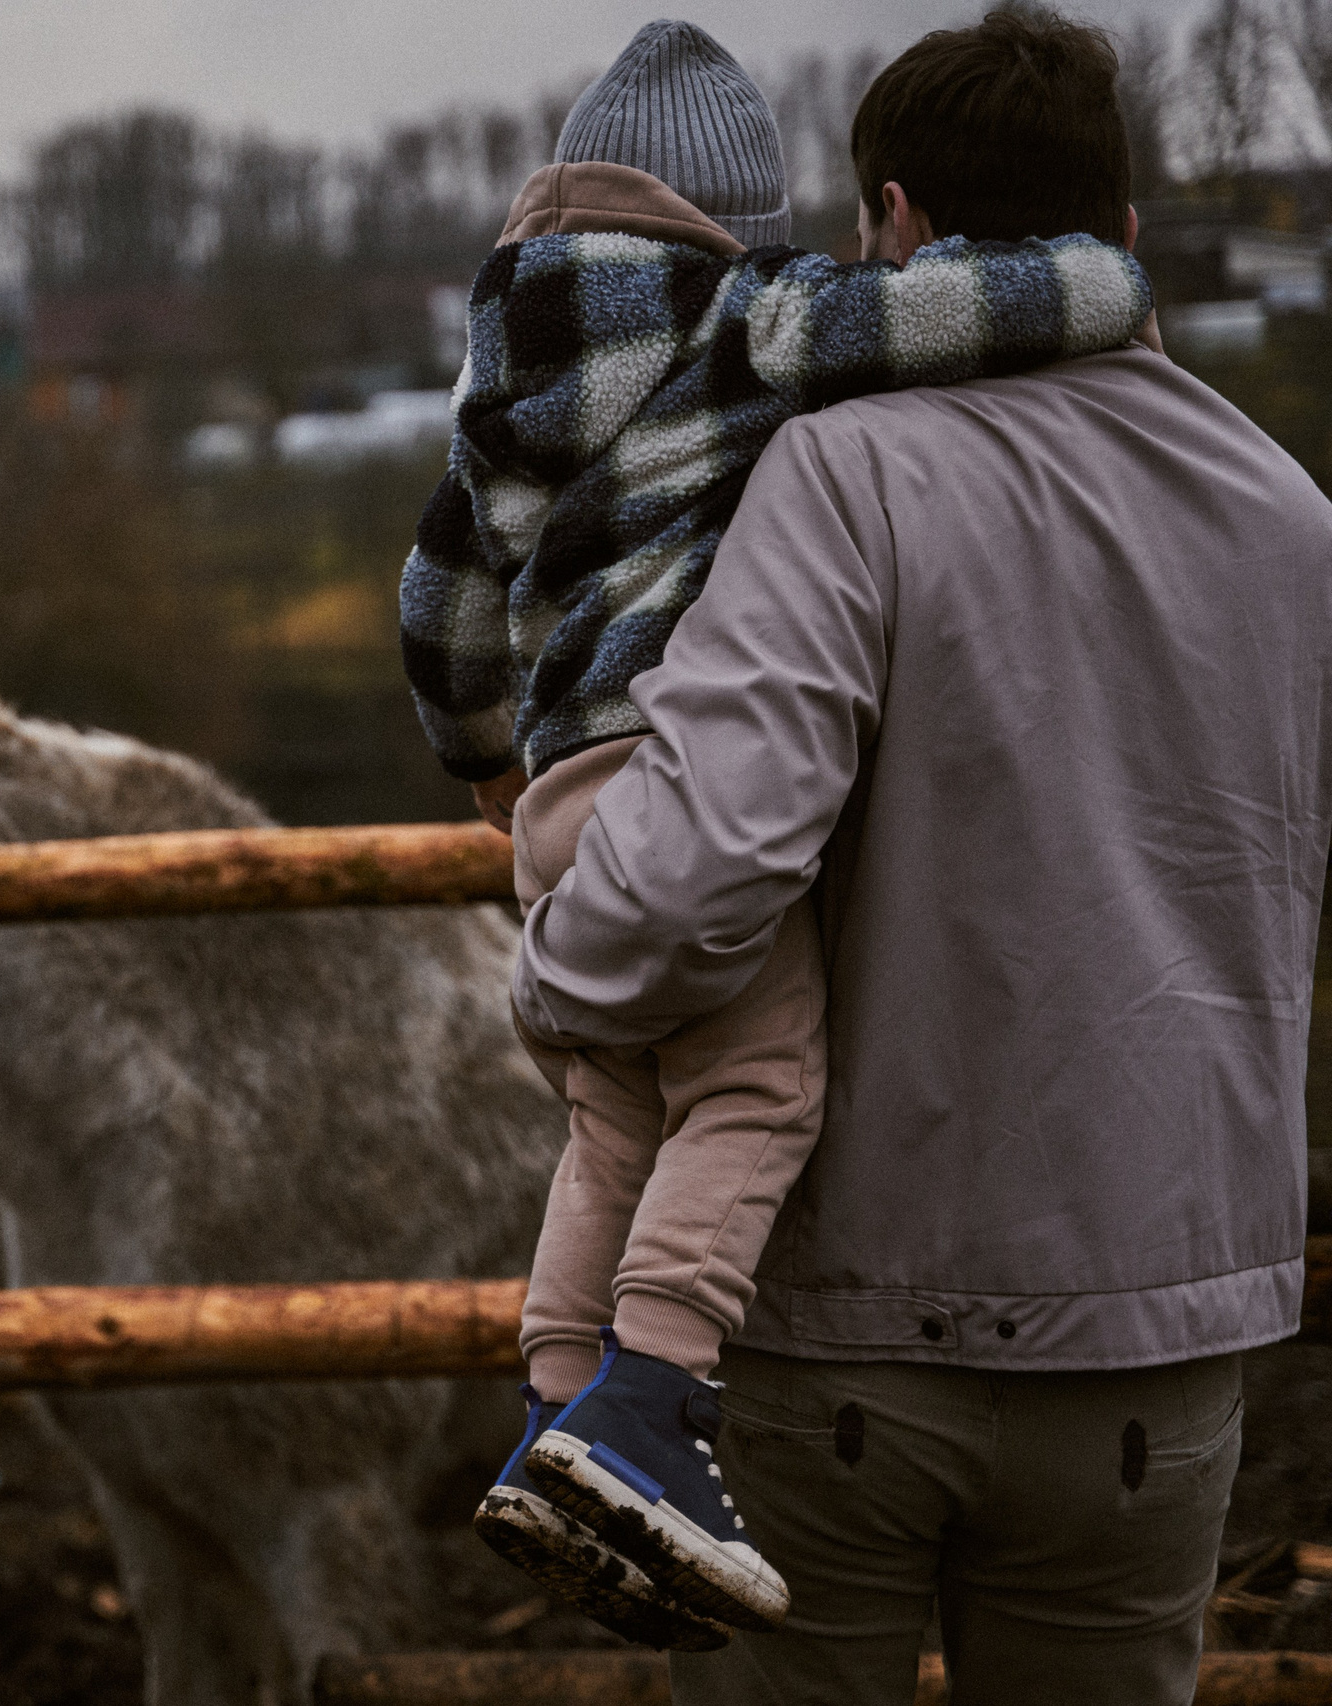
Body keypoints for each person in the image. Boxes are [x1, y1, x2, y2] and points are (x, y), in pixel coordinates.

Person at [506, 8, 1332, 1701]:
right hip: (1157, 1351)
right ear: (1118, 224)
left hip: (838, 1354)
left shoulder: (840, 473)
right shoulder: (1291, 518)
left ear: (893, 227)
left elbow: (690, 880)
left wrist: (552, 973)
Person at [399, 15, 1155, 1648]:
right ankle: (657, 1396)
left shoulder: (500, 360)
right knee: (753, 1083)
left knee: (617, 1115)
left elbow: (439, 602)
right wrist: (1112, 285)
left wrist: (485, 767)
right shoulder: (747, 321)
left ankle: (551, 1410)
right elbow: (974, 302)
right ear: (736, 229)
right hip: (682, 783)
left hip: (555, 799)